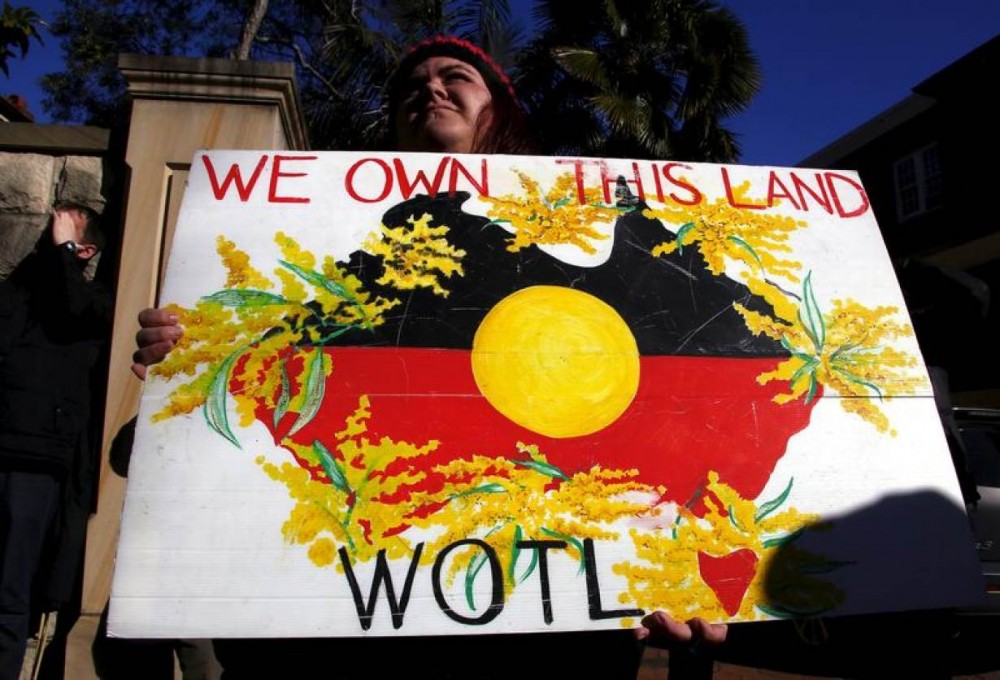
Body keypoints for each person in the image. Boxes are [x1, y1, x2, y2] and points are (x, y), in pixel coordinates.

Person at [131, 36, 724, 678]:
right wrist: (190, 363)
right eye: (413, 87)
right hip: (352, 625)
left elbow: (698, 393)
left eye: (456, 76)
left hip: (546, 638)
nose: (432, 89)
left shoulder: (591, 227)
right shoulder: (326, 244)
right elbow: (222, 424)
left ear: (500, 108)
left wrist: (689, 571)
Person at [0, 204, 112, 680]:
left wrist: (65, 251)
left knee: (9, 590)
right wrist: (52, 254)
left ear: (86, 251)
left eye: (65, 233)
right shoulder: (23, 292)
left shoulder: (97, 301)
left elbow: (71, 310)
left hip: (37, 461)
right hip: (9, 445)